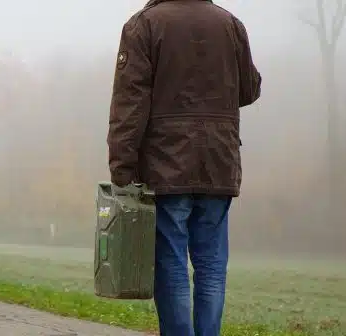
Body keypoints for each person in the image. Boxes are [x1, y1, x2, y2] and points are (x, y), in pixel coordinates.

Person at [106, 1, 261, 335]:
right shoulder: (230, 24)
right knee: (211, 267)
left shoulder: (144, 25)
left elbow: (129, 103)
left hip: (166, 166)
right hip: (219, 162)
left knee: (171, 264)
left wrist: (122, 166)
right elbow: (249, 89)